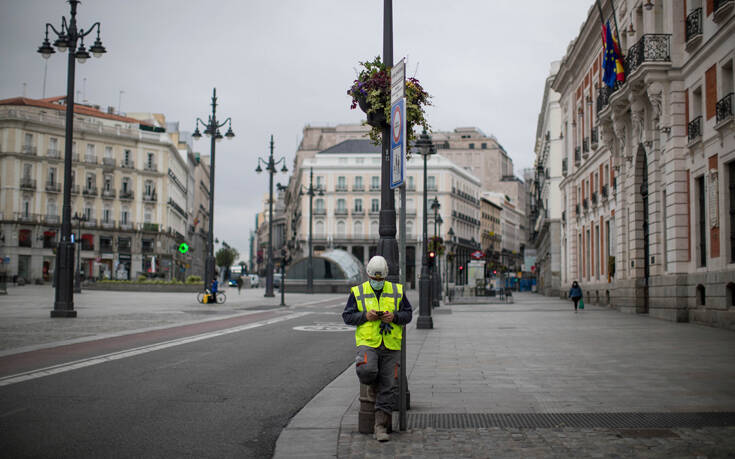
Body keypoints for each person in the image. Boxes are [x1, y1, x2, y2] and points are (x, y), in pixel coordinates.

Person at [342, 255, 412, 442]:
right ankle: (373, 386)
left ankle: (380, 427)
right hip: (368, 343)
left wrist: (395, 316)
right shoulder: (358, 291)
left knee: (389, 387)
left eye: (381, 279)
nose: (378, 282)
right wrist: (365, 315)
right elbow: (347, 317)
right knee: (367, 370)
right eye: (375, 279)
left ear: (386, 276)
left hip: (391, 345)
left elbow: (408, 314)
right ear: (368, 275)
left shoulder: (397, 290)